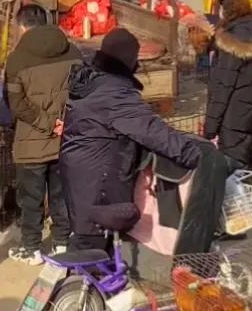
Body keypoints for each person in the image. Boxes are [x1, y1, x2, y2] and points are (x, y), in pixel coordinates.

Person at [58, 27, 204, 241]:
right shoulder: (115, 95)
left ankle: (85, 270)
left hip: (83, 177)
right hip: (99, 184)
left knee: (88, 245)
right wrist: (195, 153)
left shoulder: (94, 80)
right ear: (128, 61)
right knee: (91, 248)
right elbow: (151, 131)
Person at [4, 6, 76, 261]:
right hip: (66, 139)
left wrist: (47, 122)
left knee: (31, 199)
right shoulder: (73, 51)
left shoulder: (17, 60)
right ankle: (62, 244)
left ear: (21, 26)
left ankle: (32, 248)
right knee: (61, 195)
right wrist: (64, 122)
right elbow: (85, 91)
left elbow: (16, 104)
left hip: (30, 144)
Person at [202, 0, 252, 162]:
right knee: (242, 155)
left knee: (232, 165)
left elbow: (223, 88)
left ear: (224, 9)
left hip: (231, 115)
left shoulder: (231, 42)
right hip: (248, 106)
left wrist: (209, 129)